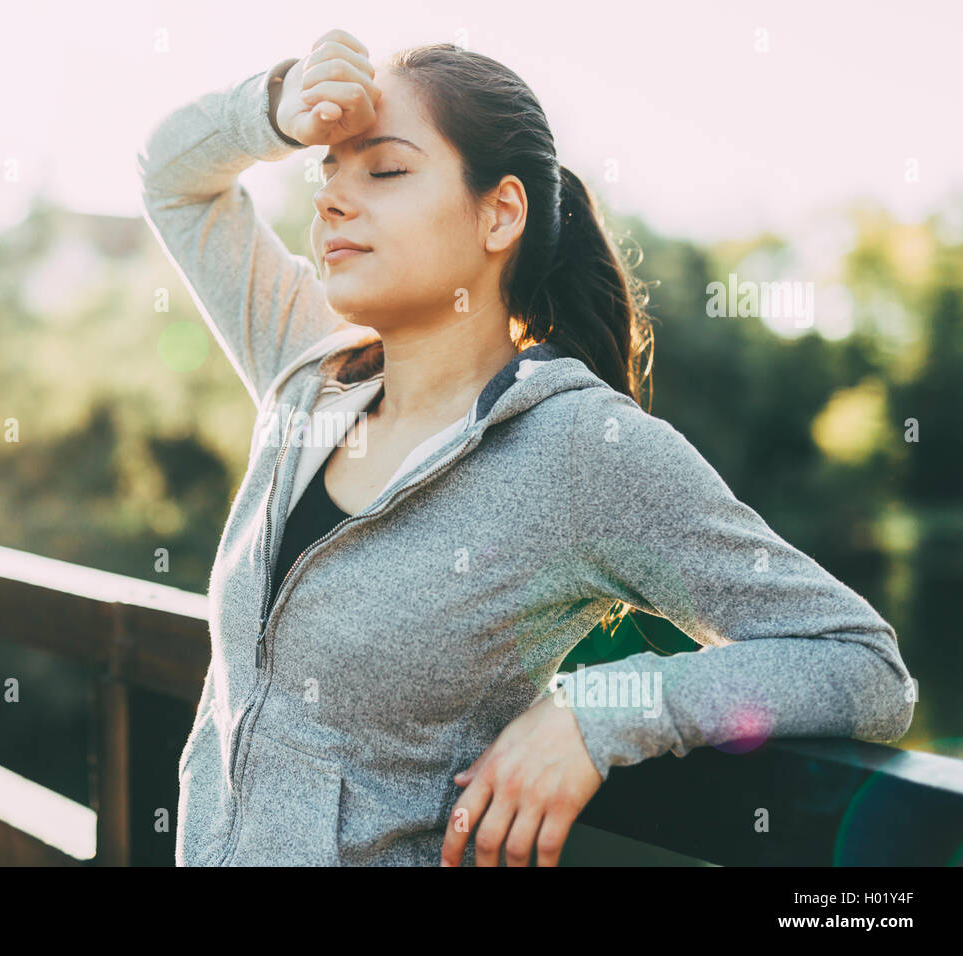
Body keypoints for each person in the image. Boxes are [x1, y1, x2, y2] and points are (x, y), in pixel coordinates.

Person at [136, 28, 915, 867]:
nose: (329, 200)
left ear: (501, 212)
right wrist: (276, 107)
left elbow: (860, 666)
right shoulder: (308, 368)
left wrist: (601, 706)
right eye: (326, 171)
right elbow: (172, 181)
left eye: (385, 170)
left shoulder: (583, 449)